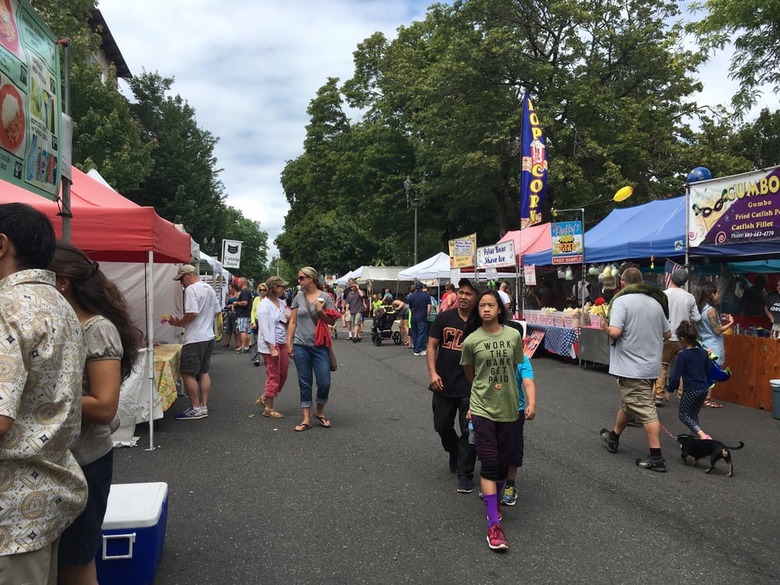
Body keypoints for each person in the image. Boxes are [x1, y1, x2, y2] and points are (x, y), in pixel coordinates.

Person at [0, 203, 87, 582]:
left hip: (10, 508)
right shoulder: (60, 304)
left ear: (1, 245)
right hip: (44, 494)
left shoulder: (6, 306)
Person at [49, 241, 141, 584]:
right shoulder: (59, 325)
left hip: (86, 460)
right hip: (62, 460)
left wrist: (36, 396)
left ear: (62, 282)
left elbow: (104, 406)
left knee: (76, 559)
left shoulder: (96, 328)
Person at [460, 290, 524, 551]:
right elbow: (470, 376)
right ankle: (494, 523)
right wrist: (478, 401)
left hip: (509, 408)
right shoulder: (471, 341)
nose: (486, 309)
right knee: (488, 463)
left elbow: (516, 369)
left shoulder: (514, 336)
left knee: (502, 465)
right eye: (482, 305)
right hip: (482, 407)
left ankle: (493, 502)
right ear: (478, 311)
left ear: (500, 309)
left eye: (491, 305)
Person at [599, 267, 671, 472]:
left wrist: (605, 326)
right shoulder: (656, 303)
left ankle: (656, 457)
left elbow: (615, 332)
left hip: (632, 367)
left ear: (622, 282)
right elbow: (667, 334)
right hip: (651, 365)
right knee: (629, 403)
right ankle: (613, 437)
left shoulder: (621, 302)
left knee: (646, 411)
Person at [426, 278, 480, 493]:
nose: (464, 296)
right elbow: (431, 346)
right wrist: (432, 373)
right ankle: (454, 451)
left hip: (471, 386)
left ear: (476, 297)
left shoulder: (479, 322)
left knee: (470, 431)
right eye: (461, 292)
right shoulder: (445, 317)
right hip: (443, 383)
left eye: (469, 293)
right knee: (441, 425)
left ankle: (465, 473)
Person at [168, 264, 221, 420]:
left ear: (189, 275)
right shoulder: (209, 288)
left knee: (187, 371)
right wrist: (205, 320)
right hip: (208, 336)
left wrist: (179, 322)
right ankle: (203, 406)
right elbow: (217, 311)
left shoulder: (191, 289)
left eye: (182, 279)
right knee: (203, 371)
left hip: (195, 338)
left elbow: (192, 313)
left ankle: (195, 407)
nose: (181, 284)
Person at [287, 267, 337, 431]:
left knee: (324, 382)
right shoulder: (297, 298)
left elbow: (331, 321)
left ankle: (320, 412)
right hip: (301, 345)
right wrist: (289, 343)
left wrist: (320, 311)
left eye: (301, 278)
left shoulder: (325, 297)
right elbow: (293, 322)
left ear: (311, 278)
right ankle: (306, 418)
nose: (299, 281)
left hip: (319, 346)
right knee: (305, 382)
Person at [653, 269, 701, 405]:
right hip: (683, 338)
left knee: (662, 367)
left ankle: (658, 395)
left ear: (671, 278)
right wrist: (687, 317)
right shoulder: (689, 297)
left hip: (666, 335)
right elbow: (697, 317)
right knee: (684, 366)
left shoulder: (663, 295)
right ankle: (682, 394)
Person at [666, 321, 712, 440]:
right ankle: (695, 439)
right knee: (693, 414)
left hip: (691, 389)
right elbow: (708, 370)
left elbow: (676, 376)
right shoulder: (704, 352)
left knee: (683, 415)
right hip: (703, 389)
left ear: (682, 338)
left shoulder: (683, 355)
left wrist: (669, 390)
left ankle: (702, 435)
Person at [501, 353, 537, 507]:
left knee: (514, 448)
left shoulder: (523, 359)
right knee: (491, 447)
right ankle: (491, 481)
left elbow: (528, 383)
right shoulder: (494, 355)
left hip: (516, 410)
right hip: (491, 409)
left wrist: (532, 404)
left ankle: (510, 484)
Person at [255, 276, 290, 418]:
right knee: (273, 375)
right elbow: (264, 328)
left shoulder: (281, 302)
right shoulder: (264, 305)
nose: (285, 289)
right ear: (275, 288)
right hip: (271, 344)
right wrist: (272, 347)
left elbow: (287, 317)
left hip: (281, 341)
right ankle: (268, 408)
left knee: (283, 374)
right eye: (282, 286)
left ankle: (265, 397)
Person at [695, 283, 733, 409]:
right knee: (713, 371)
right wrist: (730, 323)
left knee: (704, 371)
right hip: (714, 344)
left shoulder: (700, 308)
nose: (718, 295)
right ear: (712, 294)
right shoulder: (711, 310)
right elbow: (717, 330)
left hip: (703, 342)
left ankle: (700, 397)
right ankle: (708, 399)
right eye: (717, 293)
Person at [407, 281, 431, 356]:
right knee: (421, 333)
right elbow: (429, 306)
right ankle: (418, 350)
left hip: (414, 317)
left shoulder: (411, 296)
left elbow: (410, 307)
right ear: (422, 287)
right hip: (422, 316)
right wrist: (427, 314)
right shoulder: (426, 295)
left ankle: (420, 348)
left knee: (414, 333)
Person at [234, 276, 254, 353]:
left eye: (238, 282)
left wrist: (237, 303)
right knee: (244, 330)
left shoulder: (245, 291)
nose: (237, 284)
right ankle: (246, 345)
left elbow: (245, 303)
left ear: (242, 283)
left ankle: (243, 346)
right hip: (244, 313)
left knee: (242, 330)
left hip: (243, 314)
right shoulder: (246, 291)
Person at [345, 278, 367, 342]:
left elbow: (362, 295)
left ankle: (355, 336)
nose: (352, 288)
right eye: (351, 287)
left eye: (353, 286)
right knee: (354, 323)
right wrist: (346, 311)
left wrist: (358, 288)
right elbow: (348, 303)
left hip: (359, 310)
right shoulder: (350, 294)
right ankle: (358, 335)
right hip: (352, 310)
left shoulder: (360, 292)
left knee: (356, 322)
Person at [223, 281, 240, 349]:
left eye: (230, 288)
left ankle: (237, 343)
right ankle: (227, 342)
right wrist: (226, 296)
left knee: (235, 328)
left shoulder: (238, 295)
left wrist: (232, 305)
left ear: (234, 288)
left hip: (235, 312)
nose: (229, 289)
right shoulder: (230, 295)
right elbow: (226, 302)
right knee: (228, 328)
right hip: (229, 312)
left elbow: (238, 302)